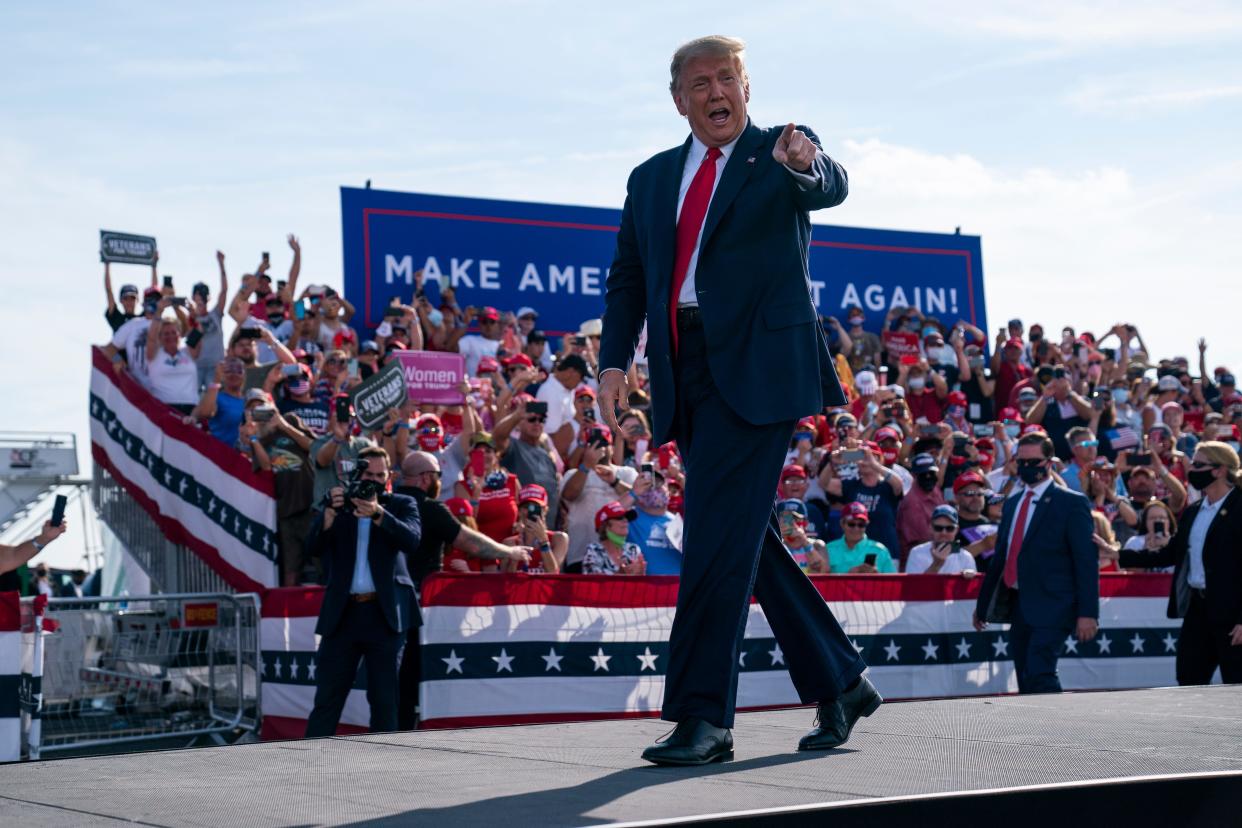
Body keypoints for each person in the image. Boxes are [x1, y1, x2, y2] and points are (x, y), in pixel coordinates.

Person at [599, 35, 877, 765]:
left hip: (761, 371)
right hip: (685, 373)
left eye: (728, 78)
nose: (716, 91)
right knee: (741, 540)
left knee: (715, 542)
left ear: (746, 88)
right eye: (700, 82)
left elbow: (828, 181)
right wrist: (610, 366)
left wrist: (804, 164)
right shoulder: (652, 178)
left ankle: (703, 718)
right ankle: (839, 680)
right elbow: (628, 276)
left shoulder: (780, 151)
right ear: (679, 99)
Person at [394, 451, 532, 729]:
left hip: (386, 603)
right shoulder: (431, 509)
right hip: (418, 605)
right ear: (426, 479)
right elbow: (470, 542)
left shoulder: (385, 505)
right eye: (437, 476)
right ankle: (406, 732)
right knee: (412, 672)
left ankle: (390, 728)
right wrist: (509, 551)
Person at [305, 447, 421, 737]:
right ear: (357, 473)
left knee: (384, 702)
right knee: (327, 699)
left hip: (385, 616)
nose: (373, 481)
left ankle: (382, 772)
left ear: (389, 476)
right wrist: (329, 515)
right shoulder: (340, 503)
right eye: (368, 474)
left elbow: (412, 540)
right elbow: (312, 549)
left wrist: (379, 514)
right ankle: (305, 769)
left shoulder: (400, 503)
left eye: (380, 475)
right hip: (343, 615)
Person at [973, 432, 1100, 694]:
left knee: (1040, 671)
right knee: (1024, 674)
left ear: (1050, 462)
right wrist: (983, 605)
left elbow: (1086, 561)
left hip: (1055, 604)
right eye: (1022, 462)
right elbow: (1001, 556)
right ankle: (1035, 731)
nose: (1027, 468)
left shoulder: (1071, 503)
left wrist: (1088, 613)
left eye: (1034, 462)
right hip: (1019, 604)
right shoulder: (1013, 504)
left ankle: (1054, 731)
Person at [1112, 442, 1242, 684]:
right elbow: (1169, 554)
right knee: (1189, 679)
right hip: (1199, 609)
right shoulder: (1193, 511)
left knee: (1236, 682)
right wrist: (1116, 553)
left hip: (1233, 614)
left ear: (1220, 470)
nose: (1191, 469)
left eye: (1198, 464)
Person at [560, 428, 637, 572]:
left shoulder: (626, 473)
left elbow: (638, 498)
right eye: (592, 444)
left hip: (619, 558)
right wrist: (586, 466)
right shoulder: (572, 474)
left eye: (603, 443)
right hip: (580, 555)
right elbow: (568, 495)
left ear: (612, 448)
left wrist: (614, 481)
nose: (598, 448)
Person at [144, 301, 203, 413]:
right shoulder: (154, 355)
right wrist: (159, 312)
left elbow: (198, 335)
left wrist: (194, 317)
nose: (170, 336)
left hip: (190, 409)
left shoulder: (188, 352)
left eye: (173, 333)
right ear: (160, 337)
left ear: (179, 335)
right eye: (166, 334)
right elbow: (151, 338)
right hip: (162, 408)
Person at [626, 466, 684, 575]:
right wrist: (633, 493)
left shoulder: (677, 521)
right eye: (648, 486)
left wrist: (679, 477)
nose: (655, 490)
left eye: (659, 485)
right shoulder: (630, 516)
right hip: (647, 588)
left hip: (676, 587)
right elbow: (605, 517)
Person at [824, 502, 896, 573]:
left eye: (861, 525)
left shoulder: (881, 551)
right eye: (851, 524)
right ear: (842, 524)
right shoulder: (828, 550)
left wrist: (876, 577)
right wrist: (849, 576)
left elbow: (893, 583)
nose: (856, 528)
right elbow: (821, 582)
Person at [906, 505, 977, 576]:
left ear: (956, 530)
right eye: (938, 528)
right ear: (931, 528)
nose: (944, 533)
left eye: (949, 528)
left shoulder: (966, 557)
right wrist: (936, 564)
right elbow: (914, 586)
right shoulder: (917, 553)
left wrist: (966, 580)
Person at [582, 501, 646, 575]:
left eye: (627, 518)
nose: (625, 520)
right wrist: (620, 575)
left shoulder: (633, 549)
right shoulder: (594, 550)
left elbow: (640, 583)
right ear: (605, 526)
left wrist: (641, 573)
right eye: (619, 518)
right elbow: (590, 582)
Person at [777, 499, 828, 573]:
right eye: (787, 519)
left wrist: (805, 541)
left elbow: (824, 572)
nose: (792, 524)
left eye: (797, 519)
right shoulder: (775, 545)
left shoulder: (817, 545)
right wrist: (780, 539)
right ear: (778, 523)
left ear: (806, 522)